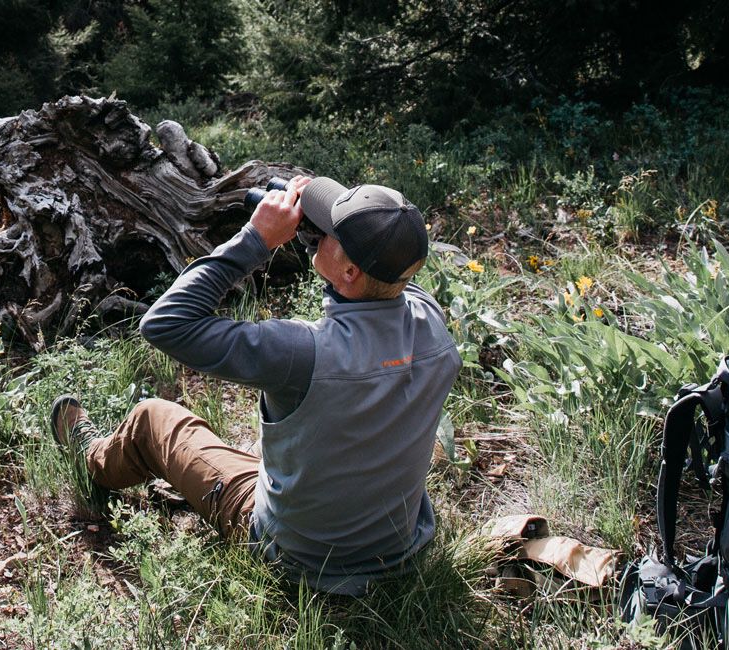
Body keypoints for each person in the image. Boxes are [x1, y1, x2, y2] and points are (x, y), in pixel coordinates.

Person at [48, 175, 462, 595]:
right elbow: (380, 278)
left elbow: (164, 324)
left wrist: (257, 239)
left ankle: (89, 455)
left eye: (327, 234)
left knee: (153, 418)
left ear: (351, 270)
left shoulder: (301, 352)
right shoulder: (434, 327)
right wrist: (324, 239)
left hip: (299, 558)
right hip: (398, 549)